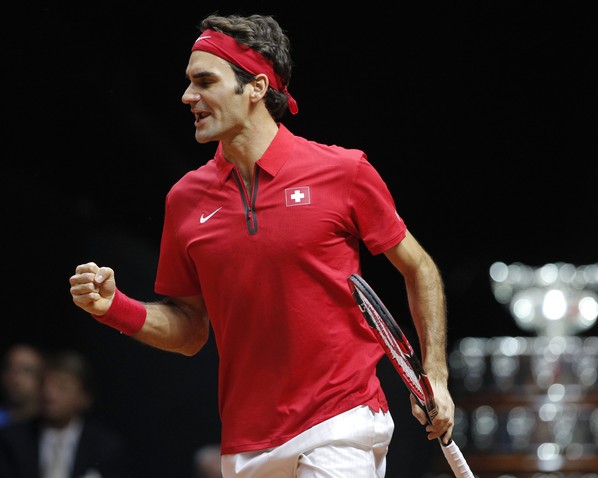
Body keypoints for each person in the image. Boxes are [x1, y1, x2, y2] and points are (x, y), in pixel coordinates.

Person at [68, 12, 455, 478]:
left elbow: (419, 268)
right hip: (247, 443)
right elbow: (191, 330)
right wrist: (114, 307)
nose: (188, 96)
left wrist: (436, 373)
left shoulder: (344, 172)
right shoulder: (185, 199)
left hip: (342, 422)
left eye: (204, 81)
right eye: (189, 83)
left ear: (255, 87)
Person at [0, 349, 129, 478]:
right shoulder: (12, 441)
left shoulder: (104, 447)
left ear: (84, 398)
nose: (50, 394)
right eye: (45, 385)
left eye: (62, 387)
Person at [0, 343, 45, 428]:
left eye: (26, 371)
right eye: (9, 368)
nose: (14, 378)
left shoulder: (51, 427)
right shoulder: (2, 419)